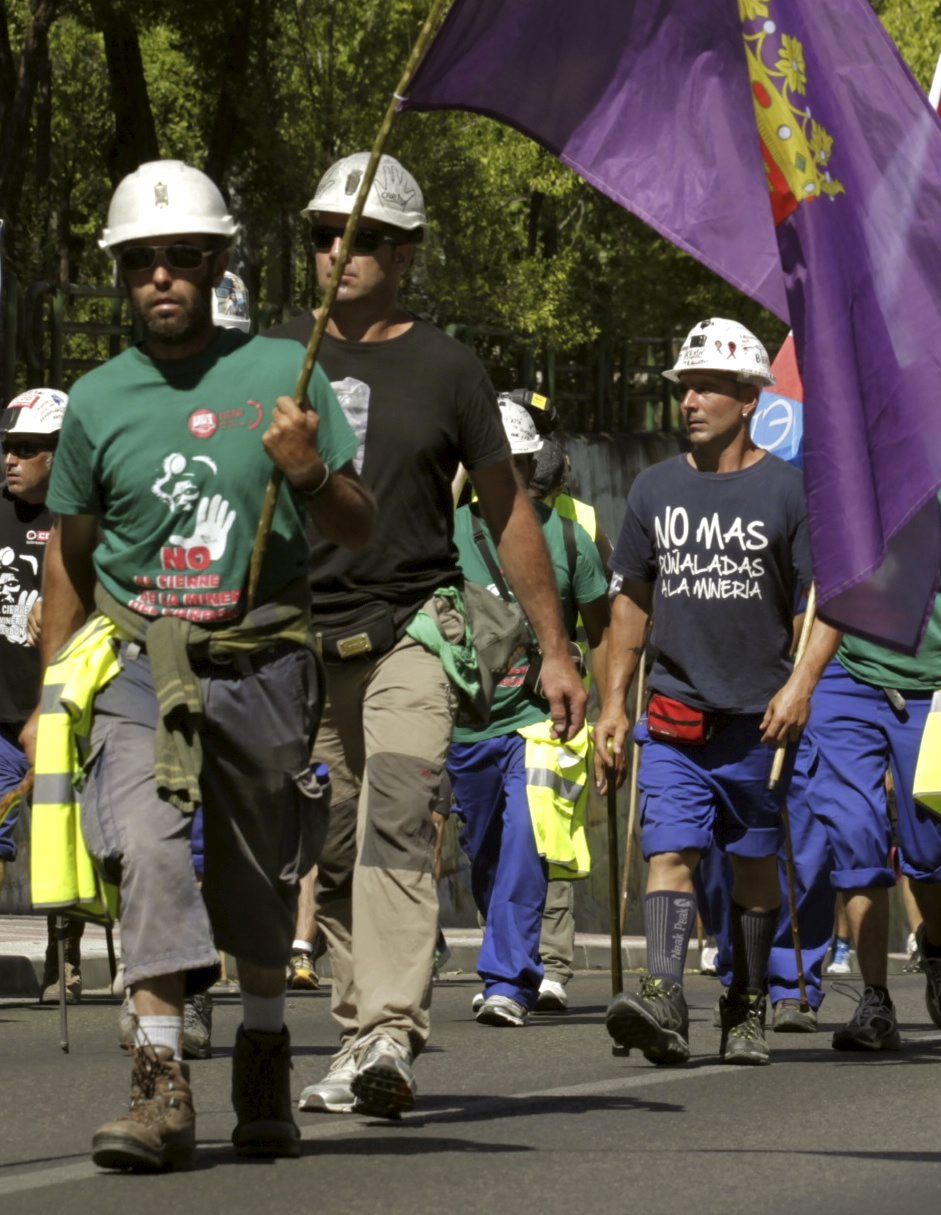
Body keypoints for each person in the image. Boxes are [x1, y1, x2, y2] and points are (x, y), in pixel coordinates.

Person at [33, 159, 373, 1170]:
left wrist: (310, 475)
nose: (163, 277)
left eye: (184, 258)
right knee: (142, 845)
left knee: (259, 878)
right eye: (143, 262)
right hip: (145, 665)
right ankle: (158, 1086)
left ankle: (263, 1053)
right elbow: (73, 551)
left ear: (219, 262)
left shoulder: (284, 372)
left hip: (265, 663)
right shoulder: (96, 401)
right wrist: (56, 684)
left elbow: (355, 529)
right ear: (122, 276)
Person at [277, 153, 584, 1118]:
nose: (339, 252)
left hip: (413, 630)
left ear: (404, 253)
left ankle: (392, 1029)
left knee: (400, 815)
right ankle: (355, 1026)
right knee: (329, 854)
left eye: (363, 237)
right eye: (324, 235)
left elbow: (509, 512)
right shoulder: (276, 357)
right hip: (298, 642)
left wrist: (558, 647)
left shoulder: (449, 367)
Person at [598, 317, 830, 1066]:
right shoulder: (654, 488)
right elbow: (630, 600)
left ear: (749, 396)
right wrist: (611, 702)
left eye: (707, 387)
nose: (689, 399)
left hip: (759, 726)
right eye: (684, 386)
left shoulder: (789, 491)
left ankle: (747, 1003)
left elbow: (825, 606)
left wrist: (800, 686)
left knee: (755, 871)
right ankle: (663, 994)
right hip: (672, 717)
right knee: (673, 854)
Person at [806, 463, 941, 1050]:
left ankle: (938, 944)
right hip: (850, 678)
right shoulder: (841, 460)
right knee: (855, 835)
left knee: (929, 848)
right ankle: (875, 1000)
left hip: (939, 683)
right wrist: (802, 683)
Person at [448, 400, 610, 1026]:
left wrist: (609, 711)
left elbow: (601, 631)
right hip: (467, 722)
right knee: (483, 847)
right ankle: (509, 951)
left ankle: (508, 979)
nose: (505, 472)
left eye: (514, 462)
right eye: (492, 461)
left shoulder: (570, 536)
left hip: (540, 726)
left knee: (525, 840)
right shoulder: (448, 533)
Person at [0, 389, 74, 997]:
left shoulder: (82, 519)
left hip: (59, 707)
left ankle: (65, 950)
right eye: (8, 448)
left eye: (28, 450)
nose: (12, 460)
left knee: (59, 837)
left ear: (59, 454)